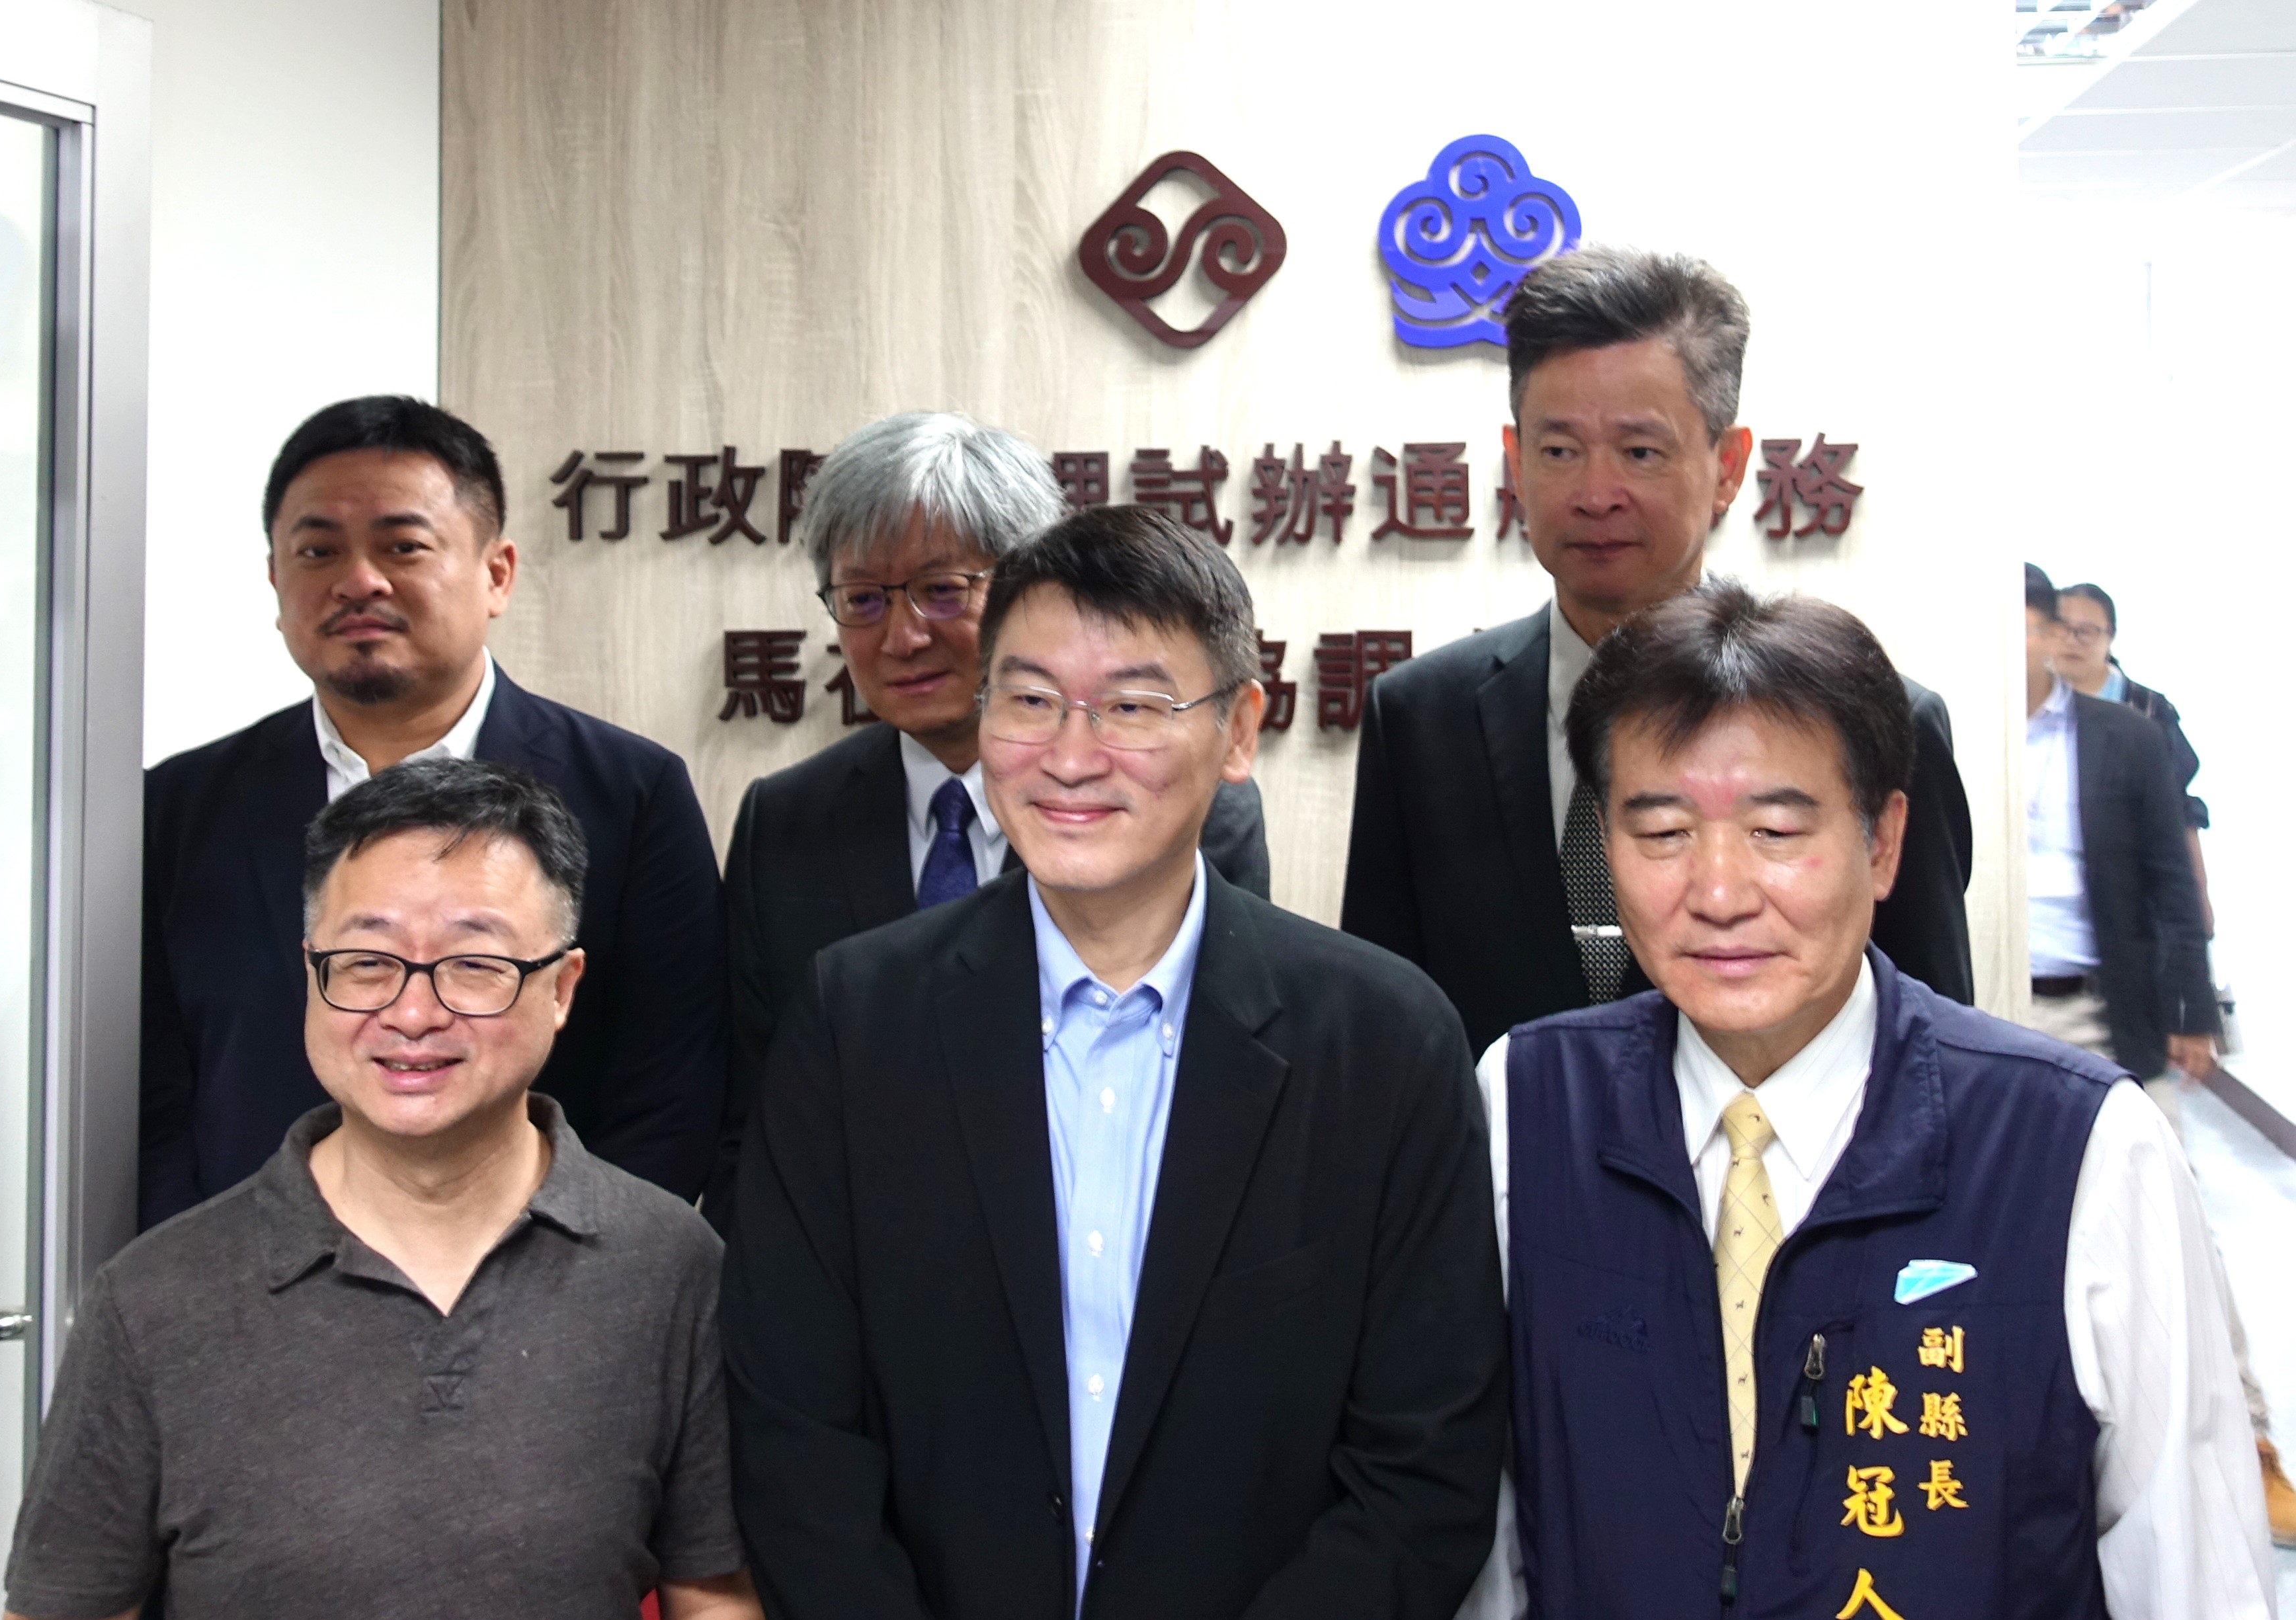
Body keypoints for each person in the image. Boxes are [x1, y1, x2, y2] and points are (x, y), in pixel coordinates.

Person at [721, 505, 1506, 1619]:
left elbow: (1423, 1466)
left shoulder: (1383, 1042)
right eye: (1029, 700)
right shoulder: (854, 1022)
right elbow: (795, 1432)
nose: (1070, 756)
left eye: (1133, 706)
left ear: (1238, 730)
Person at [1480, 580, 2272, 1618]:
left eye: (1776, 829)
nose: (1717, 893)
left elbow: (2192, 1569)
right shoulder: (1525, 1102)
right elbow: (1491, 1540)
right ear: (1602, 846)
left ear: (1883, 841)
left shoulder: (2075, 1143)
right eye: (1661, 831)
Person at [7, 760, 757, 1617]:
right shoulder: (151, 1300)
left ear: (561, 987)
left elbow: (714, 1596)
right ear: (310, 970)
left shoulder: (672, 1267)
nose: (412, 1013)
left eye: (474, 963)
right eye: (366, 960)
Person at [1340, 247, 1976, 1062]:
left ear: (1727, 466)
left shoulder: (1878, 720)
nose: (1594, 493)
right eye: (1559, 450)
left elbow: (1931, 1040)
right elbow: (1384, 1026)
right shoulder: (1421, 718)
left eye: (1639, 451)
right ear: (1515, 459)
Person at [142, 396, 725, 1227]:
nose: (359, 581)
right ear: (276, 581)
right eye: (318, 551)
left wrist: (574, 1273)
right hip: (242, 1279)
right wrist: (201, 1271)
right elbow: (150, 1097)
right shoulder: (177, 808)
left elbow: (672, 1088)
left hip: (547, 1281)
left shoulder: (631, 792)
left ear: (497, 573)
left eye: (403, 546)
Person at [710, 411, 1270, 1229]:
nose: (902, 636)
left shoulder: (1178, 805)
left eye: (941, 590)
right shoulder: (784, 821)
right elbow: (754, 1120)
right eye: (863, 598)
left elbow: (1219, 1081)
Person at [2023, 563, 2295, 1543]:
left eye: (2039, 626)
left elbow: (2172, 882)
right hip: (1990, 1006)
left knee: (2175, 1222)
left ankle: (2250, 1442)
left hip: (2106, 1010)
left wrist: (2187, 1007)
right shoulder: (1951, 724)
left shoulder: (2126, 735)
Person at [2055, 579, 2213, 934]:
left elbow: (2180, 812)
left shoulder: (2148, 711)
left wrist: (2199, 902)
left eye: (2086, 632)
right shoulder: (2032, 708)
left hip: (2135, 898)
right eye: (2062, 628)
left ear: (2110, 637)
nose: (2072, 641)